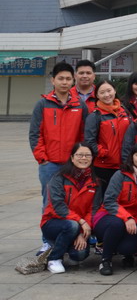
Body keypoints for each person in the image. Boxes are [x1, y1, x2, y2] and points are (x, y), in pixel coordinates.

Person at [29, 62, 87, 253]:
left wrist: (80, 160)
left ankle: (71, 239)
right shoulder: (43, 104)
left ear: (73, 81)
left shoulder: (79, 105)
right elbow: (35, 134)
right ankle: (47, 242)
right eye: (60, 78)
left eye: (68, 79)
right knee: (49, 203)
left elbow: (84, 135)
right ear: (53, 80)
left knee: (73, 201)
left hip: (73, 164)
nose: (64, 82)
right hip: (50, 164)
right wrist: (42, 158)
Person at [93, 141, 137, 276]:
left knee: (128, 248)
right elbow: (109, 201)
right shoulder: (121, 175)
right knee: (116, 224)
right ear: (132, 157)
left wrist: (135, 220)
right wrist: (127, 217)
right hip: (111, 215)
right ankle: (106, 260)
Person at [41, 142, 102, 274]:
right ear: (72, 158)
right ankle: (54, 258)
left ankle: (62, 245)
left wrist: (81, 233)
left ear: (92, 158)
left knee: (79, 254)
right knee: (71, 225)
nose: (84, 158)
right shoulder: (59, 177)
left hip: (78, 226)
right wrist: (80, 223)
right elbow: (58, 206)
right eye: (80, 155)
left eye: (87, 155)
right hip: (54, 223)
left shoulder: (95, 182)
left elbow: (93, 210)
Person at [84, 79, 132, 190]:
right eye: (102, 92)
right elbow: (89, 140)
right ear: (97, 95)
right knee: (104, 196)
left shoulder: (124, 111)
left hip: (125, 163)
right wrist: (103, 153)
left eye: (109, 90)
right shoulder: (95, 116)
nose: (107, 95)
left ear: (114, 90)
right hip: (104, 166)